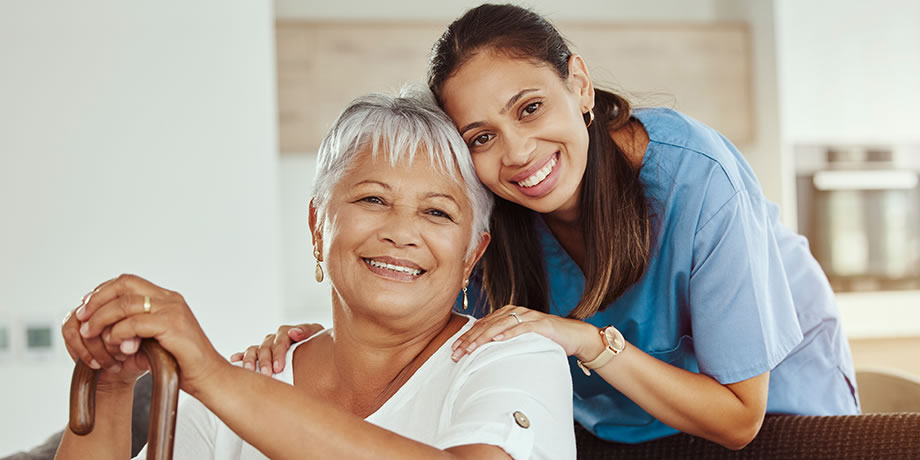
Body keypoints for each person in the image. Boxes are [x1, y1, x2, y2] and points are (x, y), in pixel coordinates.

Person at [239, 3, 860, 451]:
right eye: (481, 136)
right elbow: (421, 325)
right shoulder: (490, 211)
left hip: (772, 412)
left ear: (579, 84)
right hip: (616, 429)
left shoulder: (697, 179)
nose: (517, 152)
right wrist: (315, 351)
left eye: (530, 107)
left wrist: (588, 341)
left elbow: (738, 419)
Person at [55, 85, 577, 460]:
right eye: (373, 199)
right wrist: (107, 392)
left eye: (437, 212)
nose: (402, 232)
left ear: (473, 253)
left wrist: (216, 377)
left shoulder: (517, 356)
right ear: (316, 224)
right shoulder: (239, 386)